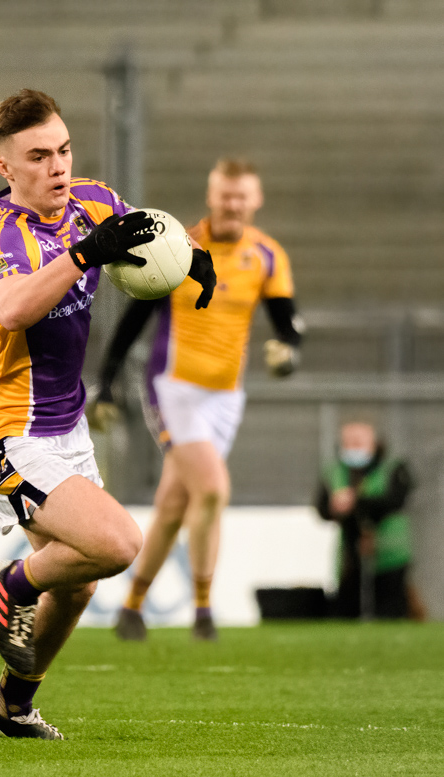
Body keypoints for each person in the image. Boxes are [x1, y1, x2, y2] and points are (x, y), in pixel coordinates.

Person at [0, 89, 216, 740]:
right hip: (7, 432)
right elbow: (13, 309)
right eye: (38, 156)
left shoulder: (91, 203)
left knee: (78, 585)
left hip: (64, 427)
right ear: (5, 169)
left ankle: (9, 708)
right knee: (116, 544)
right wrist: (81, 255)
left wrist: (189, 257)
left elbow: (143, 232)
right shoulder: (5, 239)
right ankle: (12, 583)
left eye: (64, 149)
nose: (58, 167)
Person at [97, 158, 303, 642]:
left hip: (226, 397)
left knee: (174, 504)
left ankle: (131, 608)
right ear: (212, 197)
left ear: (255, 201)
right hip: (173, 388)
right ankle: (205, 611)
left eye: (242, 196)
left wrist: (288, 351)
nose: (233, 204)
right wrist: (106, 381)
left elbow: (287, 322)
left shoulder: (267, 255)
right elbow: (133, 320)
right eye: (225, 195)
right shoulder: (178, 248)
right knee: (211, 489)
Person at [316, 419, 424, 620]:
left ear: (375, 442)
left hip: (389, 550)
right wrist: (334, 507)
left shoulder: (394, 468)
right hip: (350, 551)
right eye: (348, 442)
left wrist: (356, 502)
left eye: (358, 441)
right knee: (347, 607)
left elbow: (395, 500)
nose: (352, 447)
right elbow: (322, 508)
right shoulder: (335, 471)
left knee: (390, 608)